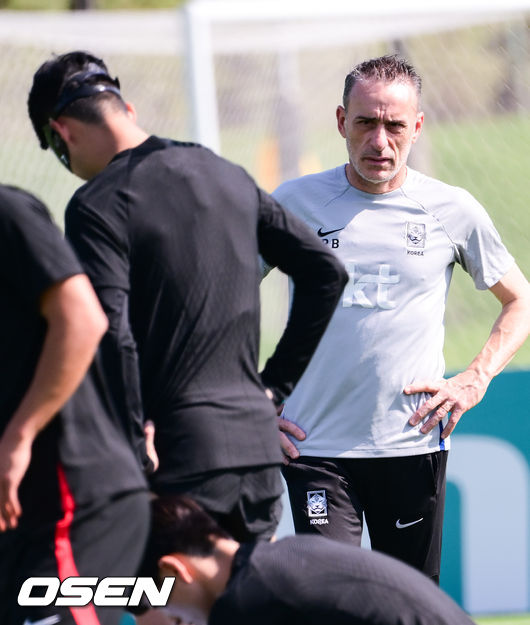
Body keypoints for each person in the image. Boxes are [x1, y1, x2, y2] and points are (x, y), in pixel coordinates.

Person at [27, 51, 348, 543]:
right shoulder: (225, 174)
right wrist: (273, 388)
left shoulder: (97, 204)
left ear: (62, 132)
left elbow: (113, 333)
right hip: (256, 455)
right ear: (125, 109)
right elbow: (325, 271)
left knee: (171, 615)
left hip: (176, 460)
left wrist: (134, 441)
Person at [272, 55, 530, 582]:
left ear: (417, 126)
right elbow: (220, 297)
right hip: (312, 447)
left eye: (394, 126)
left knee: (409, 604)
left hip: (411, 442)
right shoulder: (292, 203)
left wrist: (474, 378)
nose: (379, 141)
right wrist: (246, 401)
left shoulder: (451, 209)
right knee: (329, 603)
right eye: (366, 123)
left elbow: (520, 300)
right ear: (342, 121)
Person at [0, 184, 149, 625]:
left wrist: (19, 435)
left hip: (73, 507)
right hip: (18, 524)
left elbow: (83, 319)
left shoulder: (7, 212)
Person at [139, 493, 478, 625]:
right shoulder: (288, 554)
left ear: (174, 569)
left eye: (167, 607)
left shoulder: (246, 603)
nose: (177, 620)